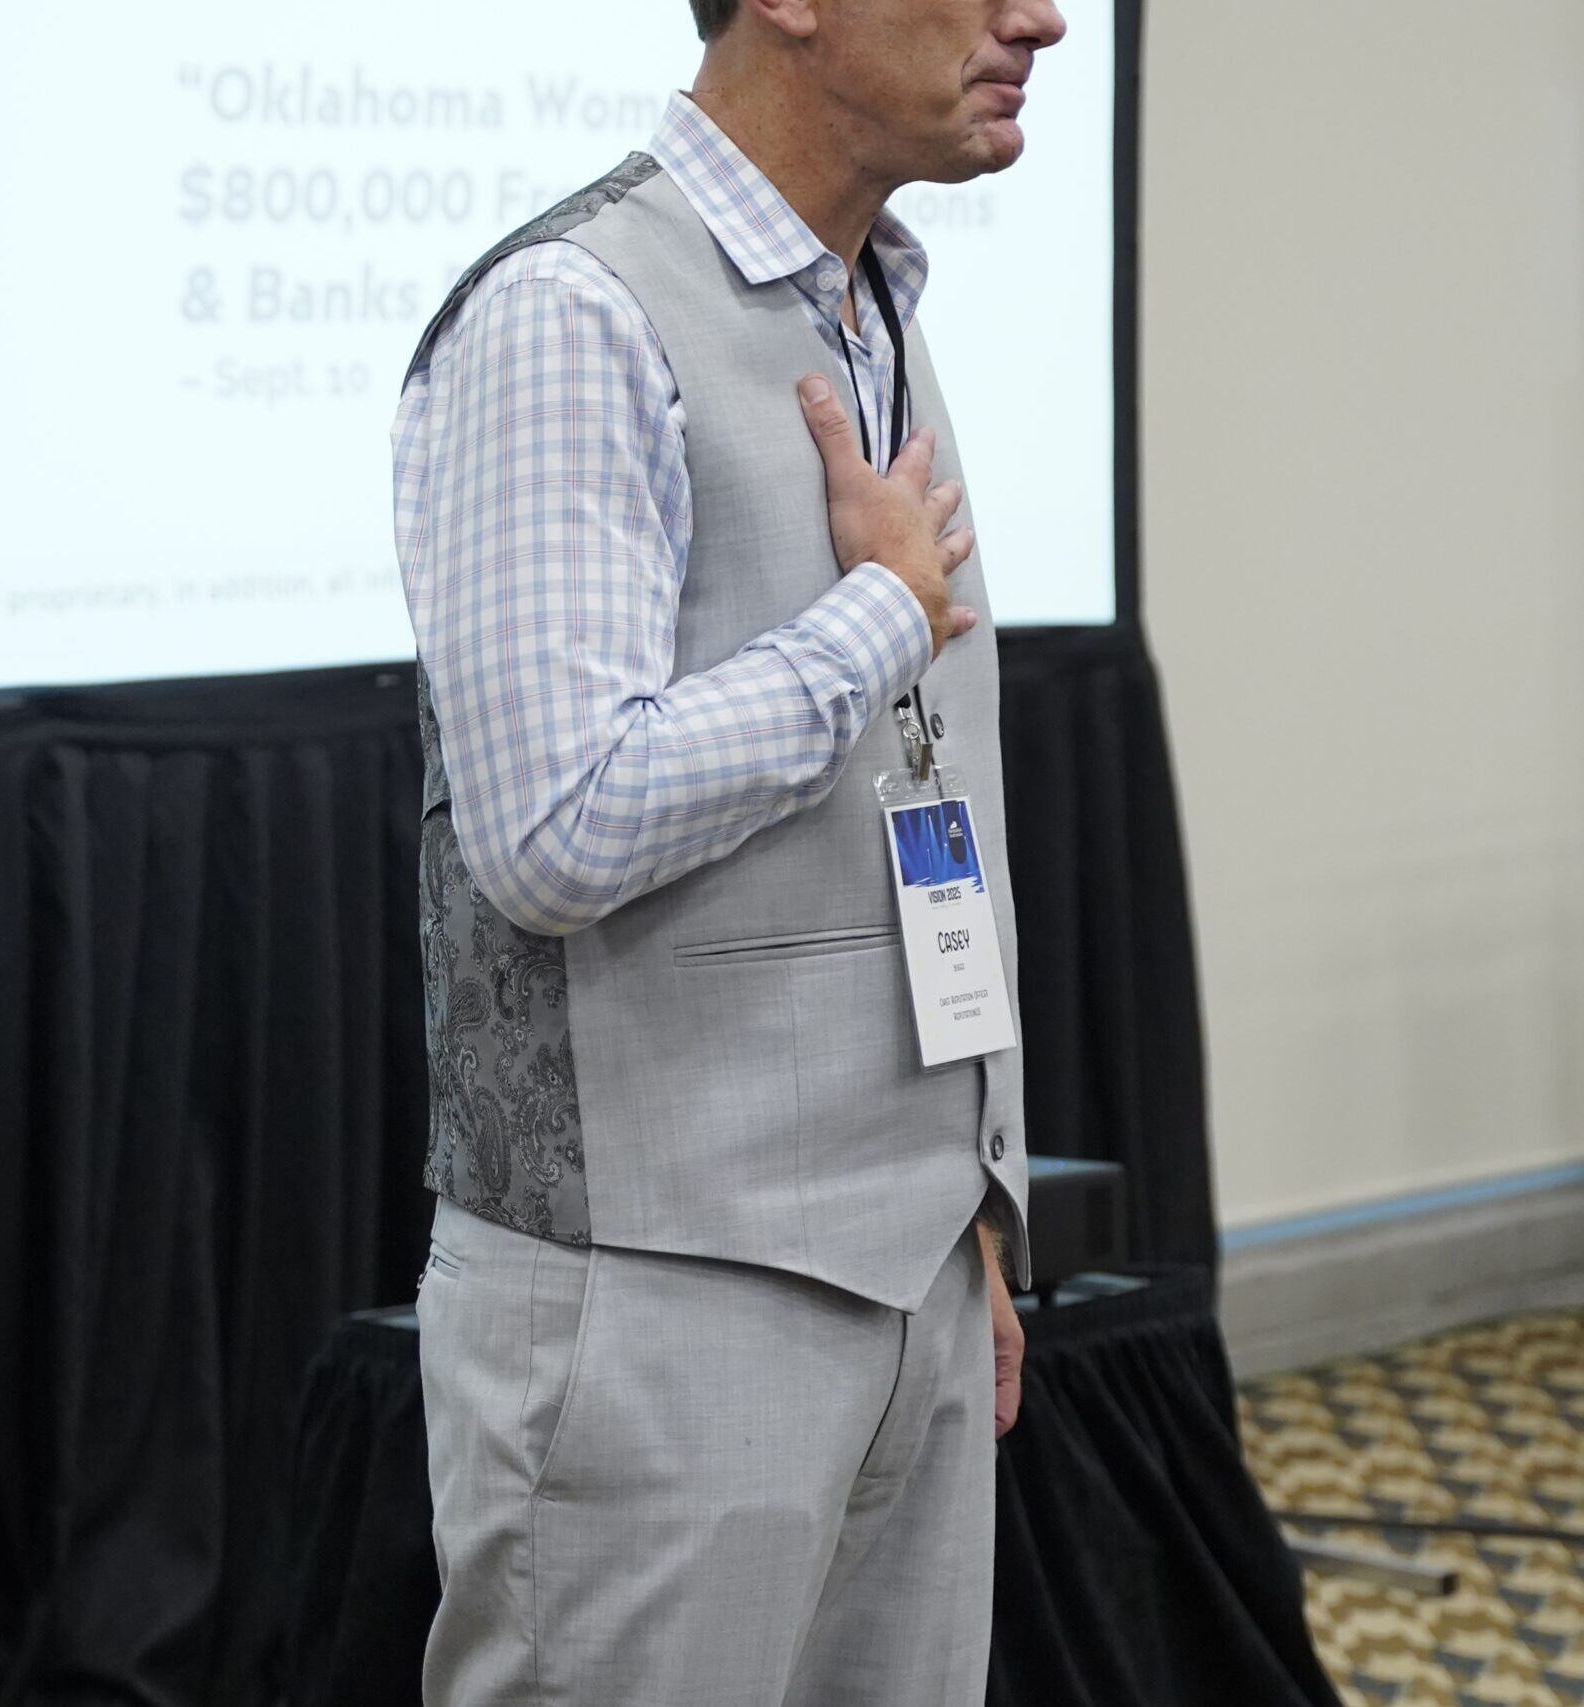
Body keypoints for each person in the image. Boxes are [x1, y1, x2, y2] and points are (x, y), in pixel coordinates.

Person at [390, 0, 1067, 1699]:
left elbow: (916, 799)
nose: (1045, 18)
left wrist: (966, 1212)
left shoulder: (874, 302)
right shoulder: (568, 311)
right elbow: (552, 829)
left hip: (910, 1272)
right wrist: (873, 618)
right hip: (653, 1309)